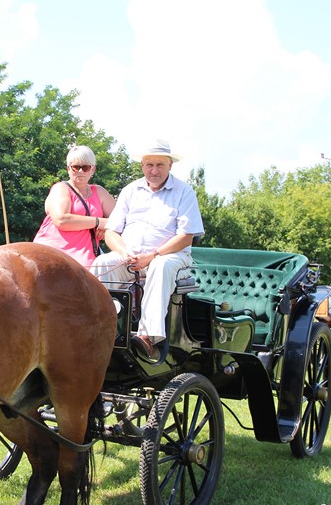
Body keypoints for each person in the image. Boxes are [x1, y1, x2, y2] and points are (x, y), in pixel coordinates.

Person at [90, 139, 204, 361]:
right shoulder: (130, 190)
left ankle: (148, 337)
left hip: (171, 257)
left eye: (160, 165)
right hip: (131, 258)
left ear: (170, 165)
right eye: (149, 165)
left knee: (160, 266)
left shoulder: (184, 192)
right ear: (142, 165)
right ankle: (96, 328)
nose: (154, 170)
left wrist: (153, 255)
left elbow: (186, 237)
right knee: (102, 263)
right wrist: (124, 253)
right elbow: (111, 232)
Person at [32, 145, 116, 268]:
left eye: (85, 167)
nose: (80, 171)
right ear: (68, 169)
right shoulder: (60, 189)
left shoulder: (100, 192)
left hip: (86, 259)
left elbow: (121, 219)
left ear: (93, 169)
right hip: (52, 254)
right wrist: (99, 222)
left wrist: (108, 228)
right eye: (76, 167)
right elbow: (62, 220)